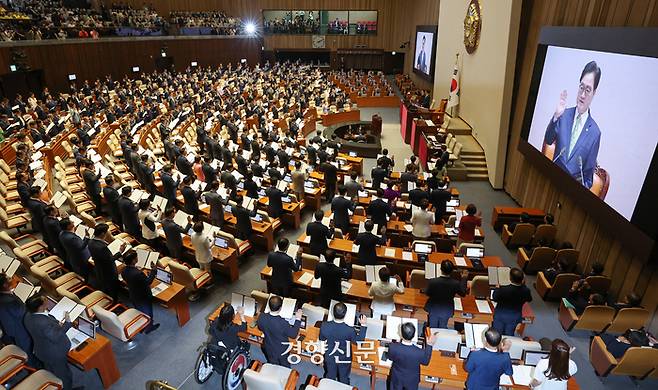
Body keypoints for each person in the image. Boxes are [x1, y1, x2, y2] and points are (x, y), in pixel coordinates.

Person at [543, 61, 602, 189]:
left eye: (588, 90)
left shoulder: (595, 134)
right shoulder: (563, 115)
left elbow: (588, 180)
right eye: (581, 87)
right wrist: (556, 116)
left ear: (594, 93)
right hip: (550, 183)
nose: (582, 95)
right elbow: (548, 139)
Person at [24, 295, 75, 390]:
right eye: (45, 301)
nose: (47, 301)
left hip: (42, 350)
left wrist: (55, 324)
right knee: (64, 376)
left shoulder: (28, 315)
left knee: (52, 372)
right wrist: (67, 323)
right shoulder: (43, 323)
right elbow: (56, 337)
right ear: (40, 307)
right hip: (54, 354)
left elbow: (44, 329)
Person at [319, 303, 367, 384]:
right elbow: (359, 342)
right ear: (345, 314)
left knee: (330, 376)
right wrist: (363, 325)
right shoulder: (350, 330)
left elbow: (322, 339)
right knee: (344, 377)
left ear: (333, 312)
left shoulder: (324, 325)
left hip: (330, 356)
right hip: (344, 358)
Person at [256, 295, 303, 367]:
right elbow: (293, 335)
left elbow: (260, 327)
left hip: (268, 347)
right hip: (282, 350)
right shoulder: (282, 323)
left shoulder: (262, 316)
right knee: (285, 365)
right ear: (281, 308)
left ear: (269, 306)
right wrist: (298, 319)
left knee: (273, 364)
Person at [121, 250, 160, 333]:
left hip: (133, 294)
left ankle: (142, 325)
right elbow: (148, 282)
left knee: (140, 311)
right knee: (148, 312)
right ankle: (149, 327)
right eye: (136, 257)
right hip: (143, 296)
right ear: (133, 260)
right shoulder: (138, 273)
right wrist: (153, 270)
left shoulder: (124, 270)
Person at [387, 322, 433, 390]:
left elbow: (390, 358)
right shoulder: (419, 352)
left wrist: (396, 343)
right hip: (412, 379)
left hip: (397, 377)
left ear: (401, 334)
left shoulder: (393, 347)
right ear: (414, 335)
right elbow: (426, 362)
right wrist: (429, 345)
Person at [424, 260, 468, 328]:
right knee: (443, 327)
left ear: (440, 269)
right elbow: (463, 293)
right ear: (452, 271)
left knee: (432, 327)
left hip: (433, 308)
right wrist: (464, 278)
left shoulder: (433, 281)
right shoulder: (455, 283)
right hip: (446, 310)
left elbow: (427, 293)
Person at [0, 273, 33, 363]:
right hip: (21, 337)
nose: (12, 278)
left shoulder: (5, 296)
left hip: (15, 334)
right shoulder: (9, 303)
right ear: (5, 285)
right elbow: (11, 328)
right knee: (31, 358)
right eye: (9, 279)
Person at [491, 268, 533, 336]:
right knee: (509, 336)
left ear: (510, 278)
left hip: (500, 315)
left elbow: (495, 298)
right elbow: (529, 299)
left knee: (497, 334)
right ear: (522, 279)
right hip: (514, 317)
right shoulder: (526, 291)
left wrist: (497, 288)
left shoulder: (503, 289)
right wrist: (524, 285)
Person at [88, 223, 123, 300]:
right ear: (103, 233)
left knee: (105, 285)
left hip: (99, 268)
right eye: (107, 231)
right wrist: (120, 252)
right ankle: (114, 302)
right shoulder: (102, 247)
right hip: (108, 271)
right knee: (112, 288)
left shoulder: (90, 242)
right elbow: (110, 260)